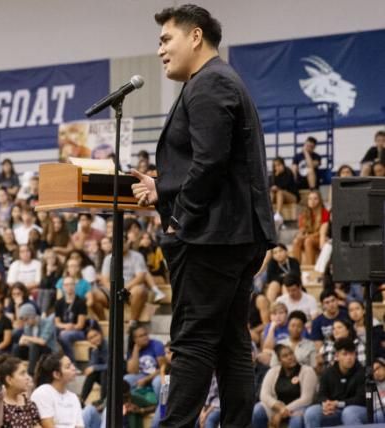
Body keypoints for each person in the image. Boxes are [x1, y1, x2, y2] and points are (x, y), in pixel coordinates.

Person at [131, 5, 276, 426]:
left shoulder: (210, 84)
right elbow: (217, 162)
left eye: (165, 40)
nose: (160, 50)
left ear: (195, 37)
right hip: (229, 235)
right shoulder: (217, 81)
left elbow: (210, 163)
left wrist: (181, 218)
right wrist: (164, 188)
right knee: (230, 344)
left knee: (192, 343)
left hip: (213, 236)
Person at [303, 338, 365, 427]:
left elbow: (361, 399)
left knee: (349, 413)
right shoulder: (328, 372)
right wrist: (326, 404)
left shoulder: (361, 372)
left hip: (355, 409)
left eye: (352, 354)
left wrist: (338, 403)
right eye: (345, 354)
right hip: (334, 409)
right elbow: (321, 395)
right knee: (311, 412)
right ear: (337, 356)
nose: (349, 358)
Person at [253, 344, 318, 428]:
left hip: (299, 408)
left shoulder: (307, 371)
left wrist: (283, 411)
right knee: (257, 410)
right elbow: (264, 395)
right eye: (285, 356)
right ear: (279, 360)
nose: (290, 357)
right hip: (277, 408)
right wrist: (278, 407)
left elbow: (306, 399)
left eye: (291, 353)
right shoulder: (273, 371)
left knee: (296, 420)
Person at [0, 355, 41, 428]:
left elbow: (37, 426)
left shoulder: (29, 404)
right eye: (22, 373)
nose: (27, 377)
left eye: (26, 373)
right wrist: (0, 401)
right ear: (9, 380)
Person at [31, 353, 84, 428]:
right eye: (68, 367)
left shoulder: (73, 397)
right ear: (56, 374)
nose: (73, 368)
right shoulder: (43, 392)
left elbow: (79, 426)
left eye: (72, 364)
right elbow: (48, 426)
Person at [291, 190, 329, 265]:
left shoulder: (324, 212)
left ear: (320, 200)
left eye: (315, 199)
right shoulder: (304, 213)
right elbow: (301, 230)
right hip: (308, 237)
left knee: (308, 241)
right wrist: (299, 236)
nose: (312, 201)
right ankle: (296, 268)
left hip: (321, 238)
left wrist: (306, 236)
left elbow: (321, 233)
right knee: (296, 241)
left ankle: (310, 268)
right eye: (310, 199)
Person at [80, 327, 108, 404]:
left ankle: (103, 400)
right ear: (89, 341)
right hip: (105, 379)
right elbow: (91, 367)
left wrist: (94, 368)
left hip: (118, 374)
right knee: (93, 373)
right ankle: (82, 400)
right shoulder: (94, 349)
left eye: (96, 335)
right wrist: (94, 352)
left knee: (104, 371)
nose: (95, 339)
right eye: (91, 338)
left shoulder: (109, 344)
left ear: (101, 334)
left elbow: (113, 365)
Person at [270, 157, 300, 221]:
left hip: (292, 196)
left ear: (283, 164)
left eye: (279, 165)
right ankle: (268, 212)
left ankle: (278, 214)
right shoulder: (273, 175)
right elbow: (270, 186)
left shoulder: (288, 172)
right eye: (275, 166)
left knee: (280, 192)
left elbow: (286, 185)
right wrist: (275, 178)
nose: (277, 167)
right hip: (279, 196)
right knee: (271, 193)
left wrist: (277, 185)